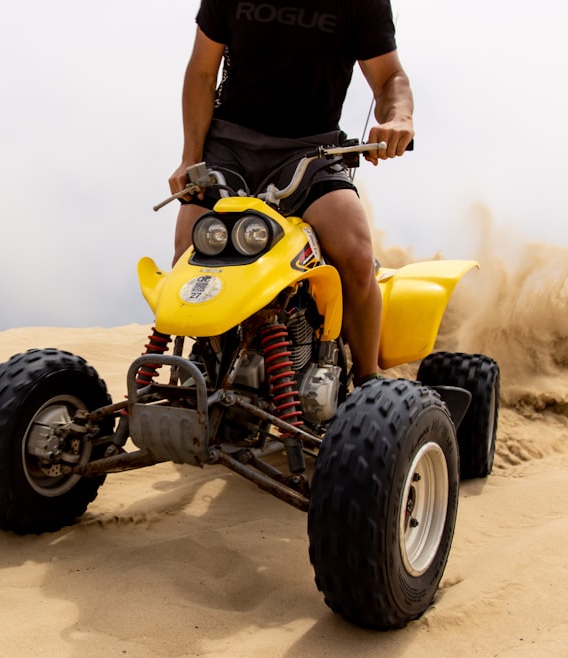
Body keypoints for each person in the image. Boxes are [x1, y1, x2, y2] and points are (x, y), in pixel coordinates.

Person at [168, 0, 414, 385]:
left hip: (312, 151)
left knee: (355, 253)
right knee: (188, 251)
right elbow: (202, 71)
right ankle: (201, 365)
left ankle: (369, 387)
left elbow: (389, 78)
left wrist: (399, 117)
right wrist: (189, 158)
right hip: (228, 146)